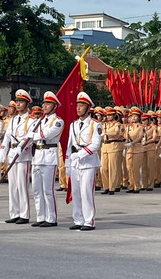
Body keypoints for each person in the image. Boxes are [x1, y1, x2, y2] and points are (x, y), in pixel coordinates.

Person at [65, 92, 102, 231]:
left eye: (81, 105)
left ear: (88, 108)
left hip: (88, 163)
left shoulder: (95, 125)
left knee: (86, 192)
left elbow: (95, 144)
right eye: (78, 105)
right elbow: (70, 145)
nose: (78, 108)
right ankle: (78, 219)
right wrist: (68, 163)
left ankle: (89, 221)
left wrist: (80, 154)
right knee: (76, 192)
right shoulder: (73, 125)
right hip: (75, 163)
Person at [0, 89, 36, 224]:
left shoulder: (31, 120)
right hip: (12, 154)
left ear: (27, 104)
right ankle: (14, 213)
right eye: (17, 102)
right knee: (12, 185)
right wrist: (3, 151)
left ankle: (24, 214)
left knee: (22, 185)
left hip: (23, 156)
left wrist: (20, 148)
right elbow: (7, 136)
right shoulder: (13, 119)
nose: (18, 104)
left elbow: (29, 138)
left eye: (21, 102)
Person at [30, 91, 64, 227]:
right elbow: (32, 135)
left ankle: (51, 218)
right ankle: (41, 217)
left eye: (48, 103)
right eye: (44, 103)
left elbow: (47, 134)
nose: (44, 106)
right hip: (37, 156)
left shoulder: (58, 121)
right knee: (36, 190)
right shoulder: (39, 121)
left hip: (49, 156)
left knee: (48, 190)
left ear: (54, 106)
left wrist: (33, 134)